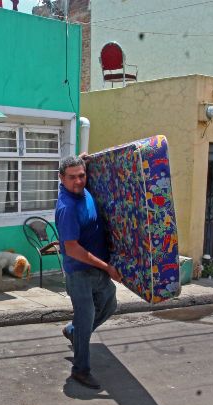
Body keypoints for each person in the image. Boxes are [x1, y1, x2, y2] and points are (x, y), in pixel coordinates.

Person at [55, 153, 122, 389]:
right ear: (61, 179)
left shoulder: (83, 190)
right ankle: (80, 370)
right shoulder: (67, 208)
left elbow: (85, 169)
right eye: (72, 177)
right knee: (86, 316)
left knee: (110, 304)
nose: (79, 181)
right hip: (80, 272)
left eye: (82, 175)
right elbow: (72, 249)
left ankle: (75, 332)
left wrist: (84, 158)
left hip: (96, 268)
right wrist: (107, 267)